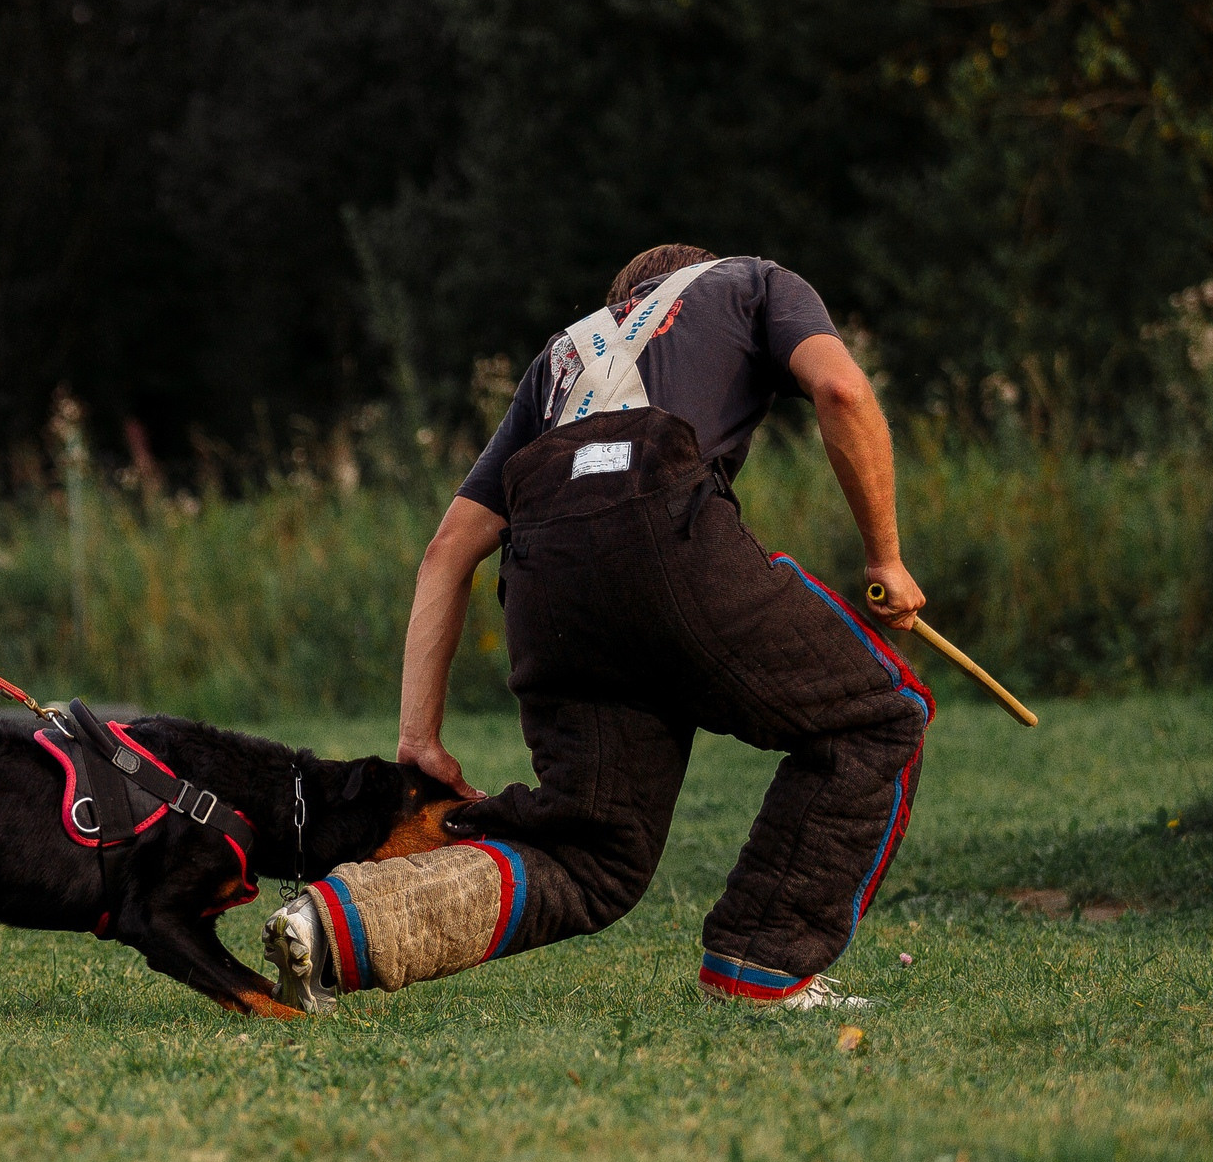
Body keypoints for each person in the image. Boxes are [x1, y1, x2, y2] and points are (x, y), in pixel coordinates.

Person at [265, 245, 930, 1010]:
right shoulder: (754, 282)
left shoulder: (562, 355)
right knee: (879, 715)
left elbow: (448, 551)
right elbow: (842, 392)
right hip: (668, 542)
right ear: (691, 274)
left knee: (590, 851)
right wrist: (887, 557)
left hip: (547, 584)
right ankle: (764, 966)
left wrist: (419, 737)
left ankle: (338, 921)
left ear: (625, 300)